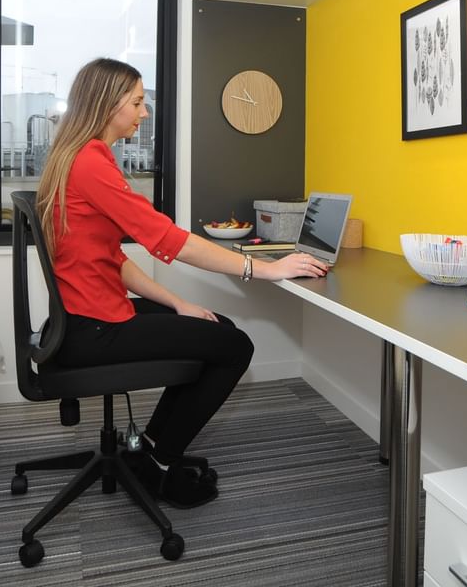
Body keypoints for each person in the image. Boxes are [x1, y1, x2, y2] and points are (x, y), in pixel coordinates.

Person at [37, 57, 328, 509]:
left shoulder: (78, 157)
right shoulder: (91, 162)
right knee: (236, 346)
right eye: (137, 102)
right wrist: (267, 269)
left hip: (83, 319)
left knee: (217, 327)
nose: (144, 112)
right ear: (109, 104)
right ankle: (159, 462)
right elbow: (168, 240)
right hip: (94, 329)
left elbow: (113, 260)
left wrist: (177, 303)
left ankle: (153, 449)